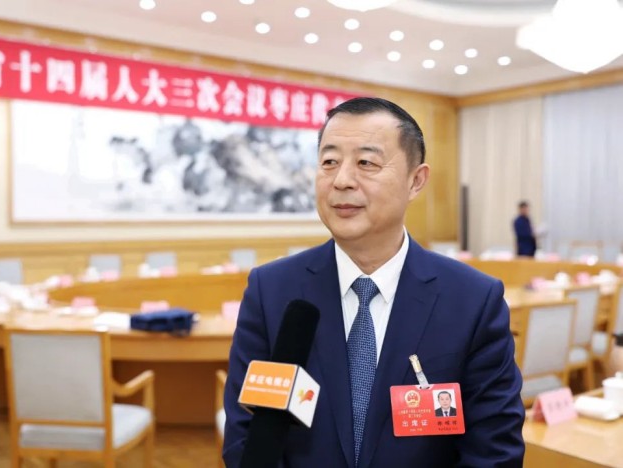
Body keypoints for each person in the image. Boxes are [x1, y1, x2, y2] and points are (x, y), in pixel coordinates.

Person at [223, 97, 525, 467]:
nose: (342, 180)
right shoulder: (270, 291)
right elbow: (246, 438)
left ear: (416, 181)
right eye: (329, 162)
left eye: (366, 163)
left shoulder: (474, 300)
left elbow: (494, 453)